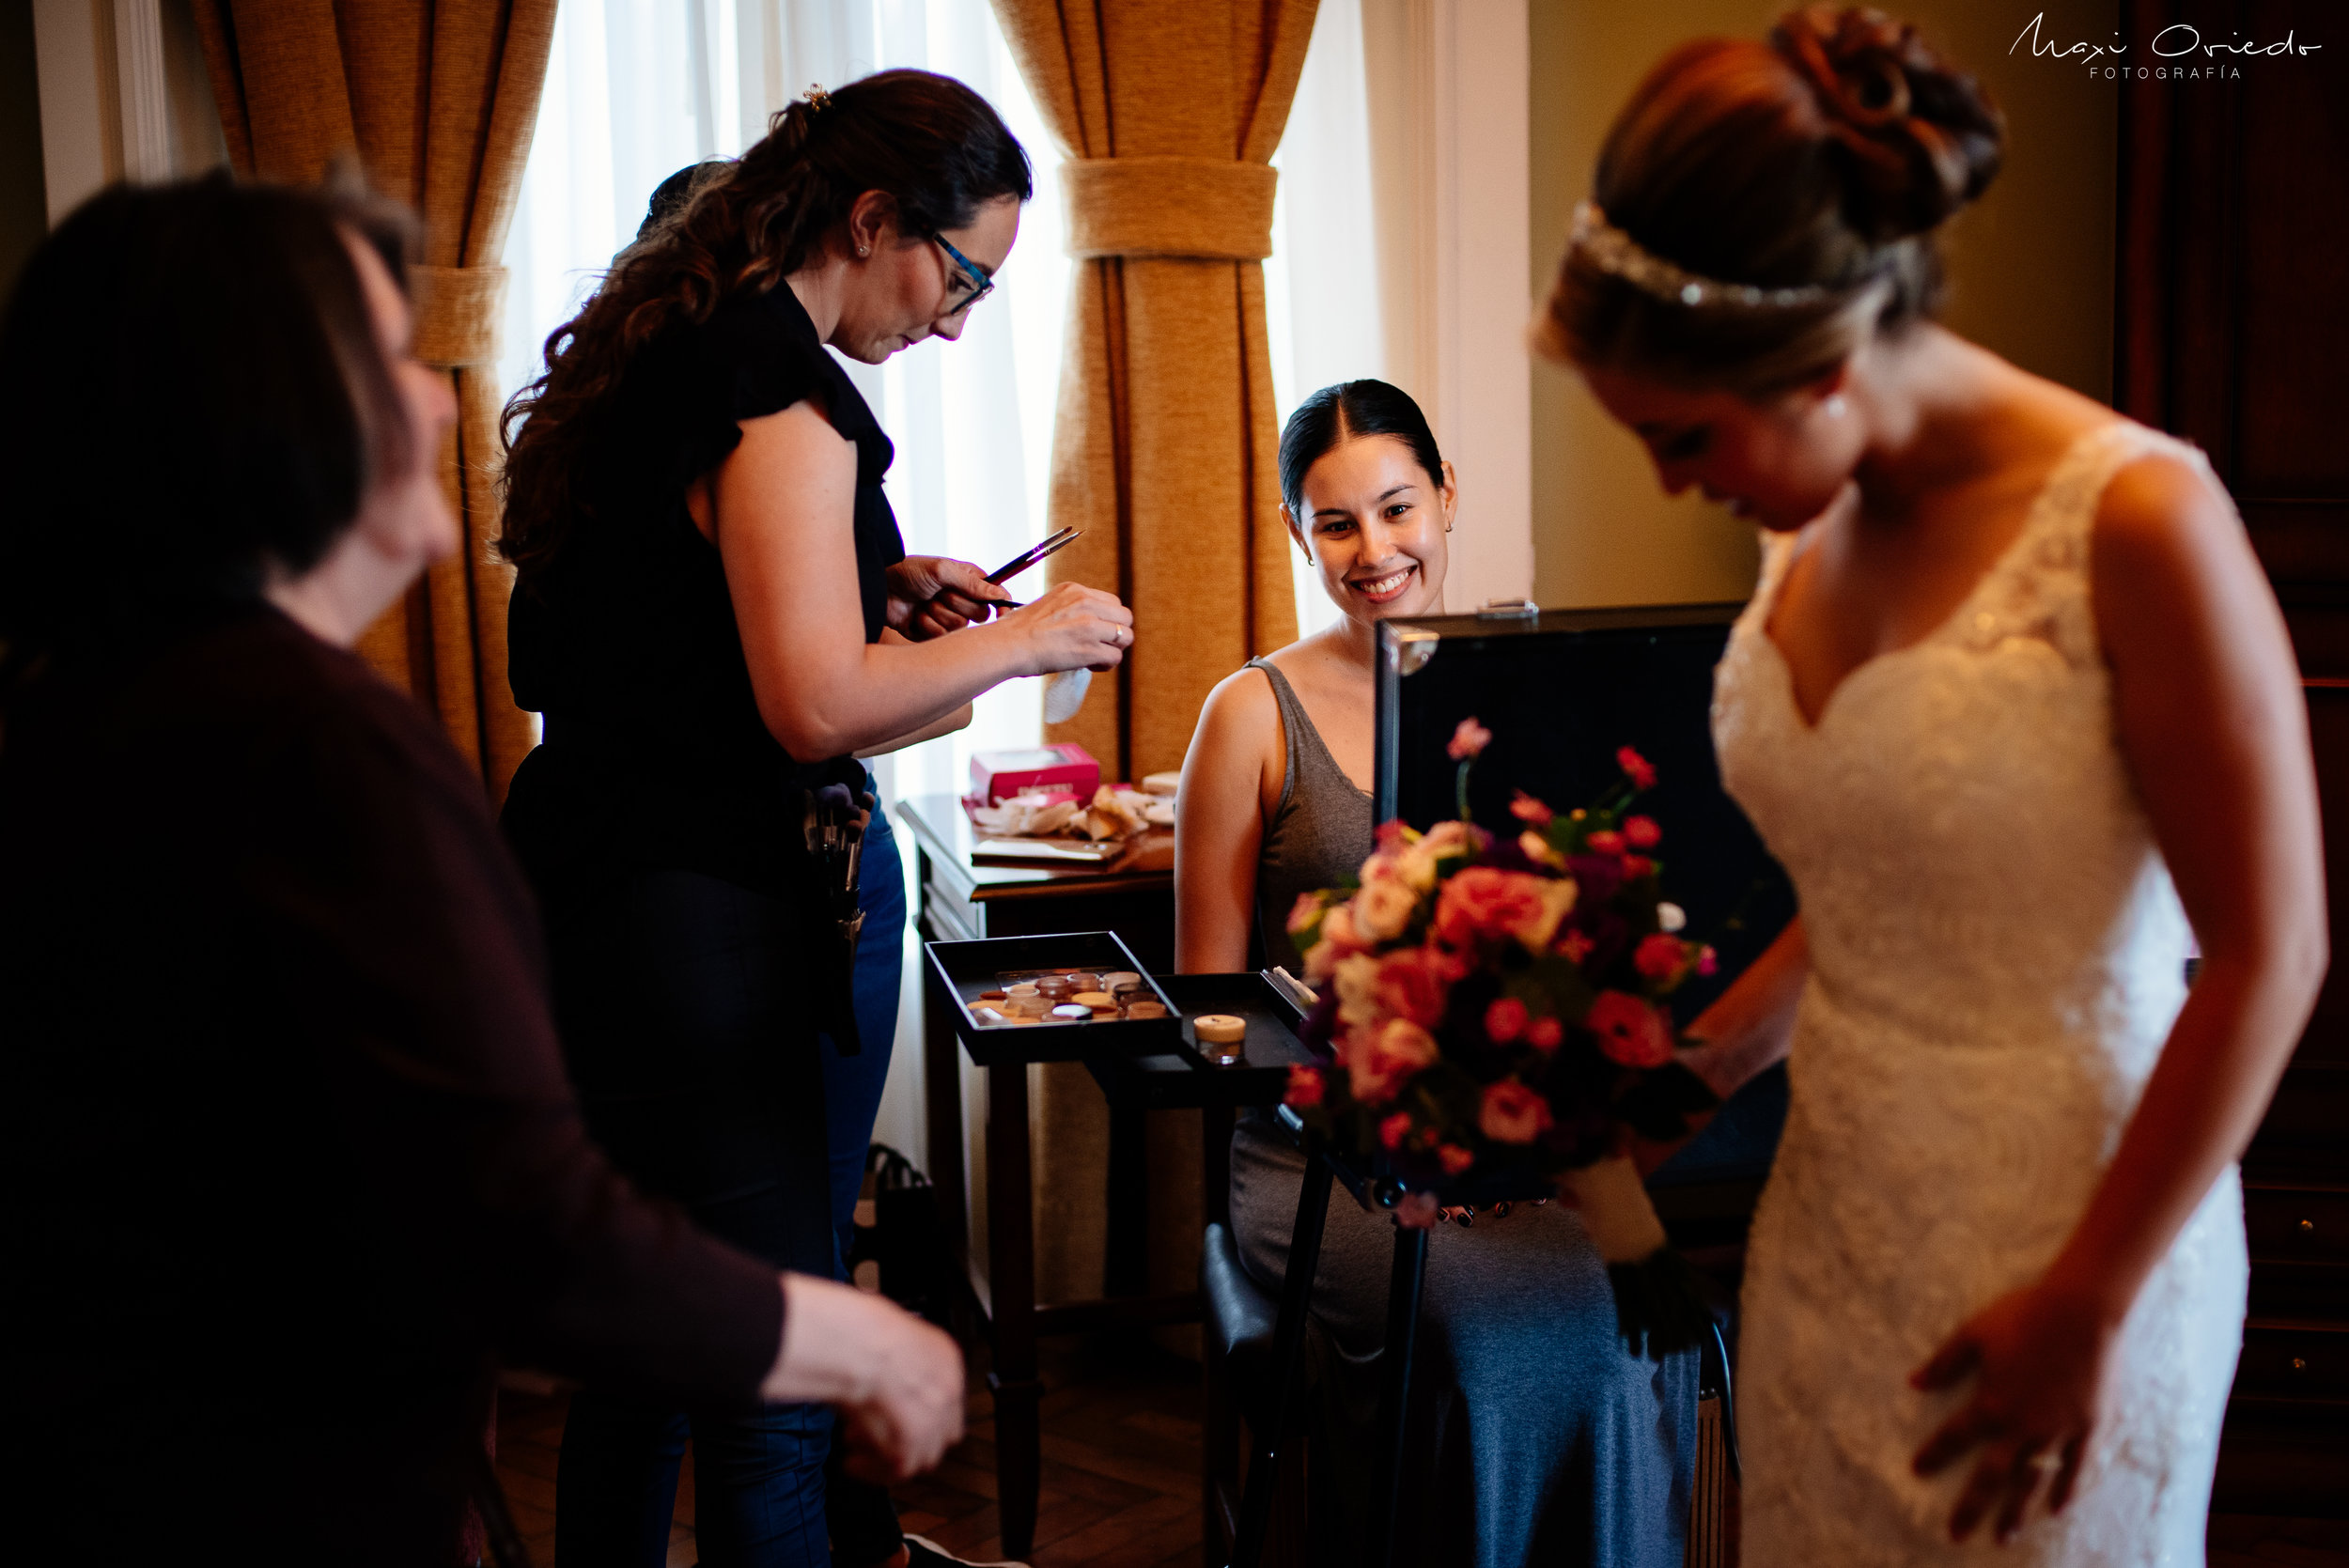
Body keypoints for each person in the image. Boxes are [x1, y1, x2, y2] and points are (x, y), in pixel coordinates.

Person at [0, 175, 963, 1566]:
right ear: (264, 418)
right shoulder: (314, 755)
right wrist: (860, 1337)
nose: (441, 401)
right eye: (392, 359)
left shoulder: (86, 707)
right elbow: (530, 1227)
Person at [1538, 7, 2326, 1562]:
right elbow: (1882, 875)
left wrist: (2089, 1296)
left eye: (1687, 433)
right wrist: (1697, 1065)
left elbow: (2269, 953)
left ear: (1820, 359)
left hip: (2070, 1243)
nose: (1673, 482)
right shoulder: (1809, 516)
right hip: (1834, 1227)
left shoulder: (2142, 520)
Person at [496, 71, 1131, 1568]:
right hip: (712, 916)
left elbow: (671, 620)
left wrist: (889, 590)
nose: (957, 319)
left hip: (601, 887)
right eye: (960, 274)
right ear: (871, 218)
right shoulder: (776, 385)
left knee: (653, 1355)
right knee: (772, 1388)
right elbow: (813, 707)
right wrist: (1037, 638)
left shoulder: (674, 350)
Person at [1174, 380, 1699, 1568]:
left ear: (1448, 495)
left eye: (1398, 507)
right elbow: (1210, 1014)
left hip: (1518, 1147)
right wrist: (1379, 1134)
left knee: (1633, 1312)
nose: (1376, 550)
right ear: (1298, 534)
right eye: (1338, 522)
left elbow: (1579, 960)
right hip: (1316, 1158)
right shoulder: (1248, 716)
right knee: (1474, 1331)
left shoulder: (1532, 683)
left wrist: (1516, 1138)